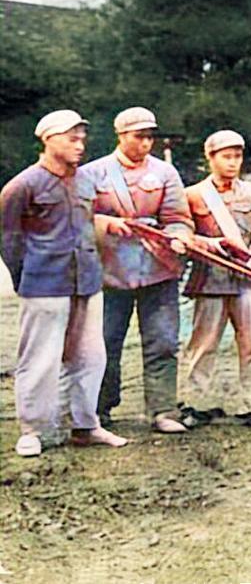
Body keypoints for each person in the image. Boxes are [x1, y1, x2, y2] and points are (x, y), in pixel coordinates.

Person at [2, 110, 128, 456]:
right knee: (40, 358)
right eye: (72, 138)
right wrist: (25, 278)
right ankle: (33, 429)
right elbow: (9, 240)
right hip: (44, 283)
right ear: (48, 139)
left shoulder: (86, 181)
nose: (80, 145)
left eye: (82, 138)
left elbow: (87, 224)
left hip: (87, 281)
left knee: (90, 356)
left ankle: (85, 425)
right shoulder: (23, 185)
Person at [83, 106, 194, 434]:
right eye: (138, 136)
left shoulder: (165, 173)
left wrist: (179, 237)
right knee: (103, 342)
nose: (146, 143)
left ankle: (162, 409)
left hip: (157, 268)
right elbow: (78, 219)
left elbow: (178, 217)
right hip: (109, 271)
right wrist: (106, 223)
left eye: (150, 137)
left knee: (163, 341)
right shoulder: (93, 173)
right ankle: (99, 409)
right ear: (121, 135)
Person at [181, 130, 251, 430]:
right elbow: (183, 233)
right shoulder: (193, 195)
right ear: (210, 158)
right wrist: (210, 245)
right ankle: (195, 405)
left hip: (246, 280)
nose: (232, 162)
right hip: (209, 280)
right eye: (226, 156)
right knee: (203, 345)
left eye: (237, 156)